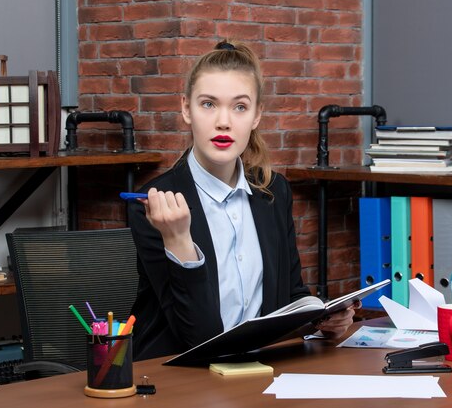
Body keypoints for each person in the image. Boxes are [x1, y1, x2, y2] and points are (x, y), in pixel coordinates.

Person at [127, 40, 356, 361]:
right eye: (208, 104)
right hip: (177, 378)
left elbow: (290, 295)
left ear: (257, 114)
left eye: (239, 107)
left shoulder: (273, 191)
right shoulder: (156, 203)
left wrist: (320, 320)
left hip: (259, 370)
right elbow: (197, 337)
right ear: (185, 108)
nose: (224, 121)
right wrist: (178, 239)